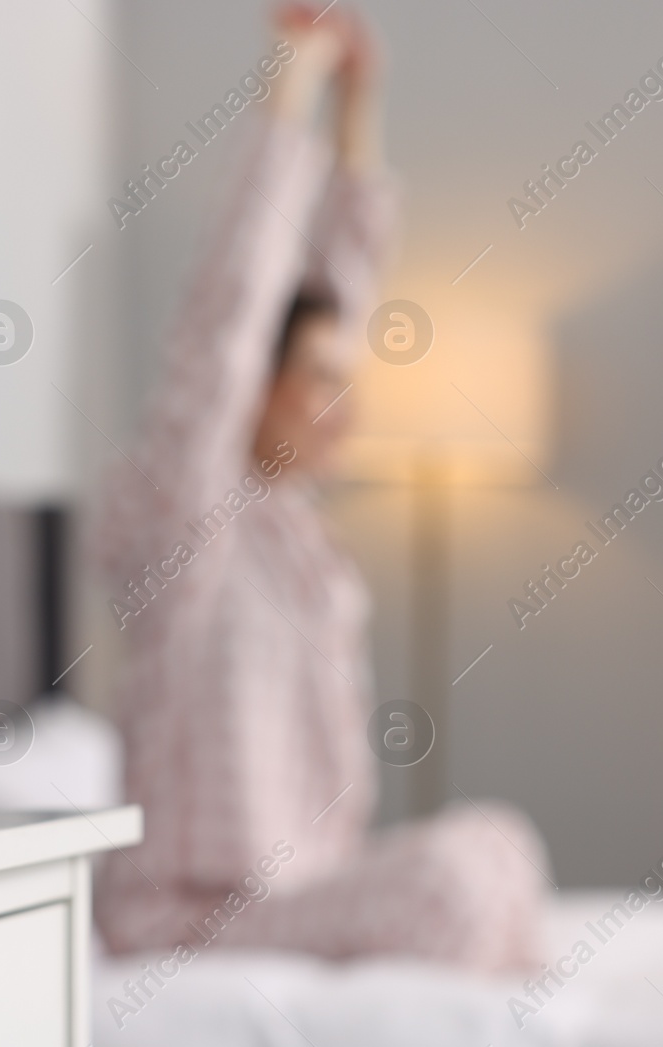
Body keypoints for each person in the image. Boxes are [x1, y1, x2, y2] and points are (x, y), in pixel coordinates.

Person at [91, 5, 547, 972]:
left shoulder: (291, 533)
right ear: (256, 382)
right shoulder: (190, 519)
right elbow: (231, 313)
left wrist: (358, 112)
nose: (348, 408)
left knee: (502, 841)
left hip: (301, 890)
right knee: (455, 883)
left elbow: (336, 290)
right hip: (185, 917)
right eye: (321, 382)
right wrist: (290, 82)